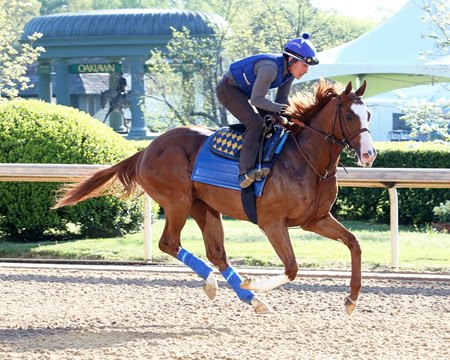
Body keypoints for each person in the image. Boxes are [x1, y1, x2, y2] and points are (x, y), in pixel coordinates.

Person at [216, 33, 319, 188]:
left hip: (247, 92)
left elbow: (281, 101)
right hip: (228, 89)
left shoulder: (289, 74)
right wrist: (281, 109)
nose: (306, 71)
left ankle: (265, 162)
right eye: (305, 65)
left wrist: (287, 116)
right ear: (291, 60)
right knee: (255, 124)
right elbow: (256, 100)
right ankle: (245, 172)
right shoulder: (269, 68)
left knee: (277, 122)